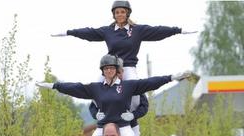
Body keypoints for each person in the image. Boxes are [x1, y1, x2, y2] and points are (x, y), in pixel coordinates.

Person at [37, 55, 190, 136]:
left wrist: (172, 77)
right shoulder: (96, 88)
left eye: (111, 68)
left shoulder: (127, 86)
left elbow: (149, 83)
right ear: (103, 71)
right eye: (106, 69)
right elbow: (74, 87)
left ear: (117, 70)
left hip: (123, 127)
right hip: (102, 128)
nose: (109, 71)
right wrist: (53, 86)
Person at [51, 0, 196, 80]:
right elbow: (89, 32)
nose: (119, 15)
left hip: (129, 68)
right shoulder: (107, 31)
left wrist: (179, 30)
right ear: (113, 15)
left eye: (122, 12)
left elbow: (158, 30)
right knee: (96, 87)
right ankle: (101, 114)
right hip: (111, 68)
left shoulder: (137, 30)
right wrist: (68, 32)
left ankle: (131, 119)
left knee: (135, 90)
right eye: (117, 13)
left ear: (127, 14)